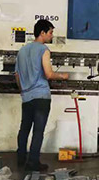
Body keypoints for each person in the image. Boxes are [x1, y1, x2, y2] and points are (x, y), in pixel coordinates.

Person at [15, 19, 68, 171]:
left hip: (26, 97)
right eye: (50, 32)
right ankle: (33, 162)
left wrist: (23, 90)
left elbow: (17, 75)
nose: (52, 36)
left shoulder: (22, 51)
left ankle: (21, 158)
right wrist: (63, 76)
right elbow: (49, 74)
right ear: (42, 33)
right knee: (38, 131)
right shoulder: (44, 49)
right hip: (41, 97)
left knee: (24, 128)